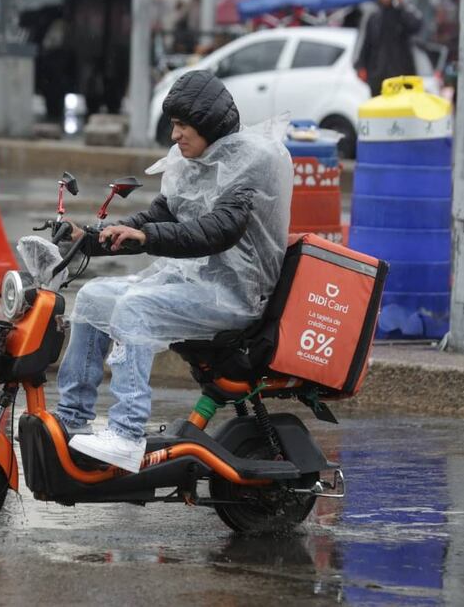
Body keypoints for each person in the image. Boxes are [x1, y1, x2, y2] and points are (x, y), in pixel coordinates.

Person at [55, 70, 293, 472]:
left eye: (183, 125)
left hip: (235, 298)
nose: (174, 135)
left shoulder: (254, 162)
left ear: (209, 124)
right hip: (192, 285)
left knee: (135, 308)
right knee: (94, 298)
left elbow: (219, 231)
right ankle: (71, 420)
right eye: (174, 125)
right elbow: (157, 216)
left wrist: (148, 239)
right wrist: (87, 237)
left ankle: (127, 434)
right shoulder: (193, 163)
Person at [354, 0, 423, 97]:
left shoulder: (401, 14)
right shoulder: (373, 17)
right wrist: (360, 66)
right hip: (378, 76)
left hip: (400, 75)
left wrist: (403, 5)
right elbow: (365, 45)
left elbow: (416, 25)